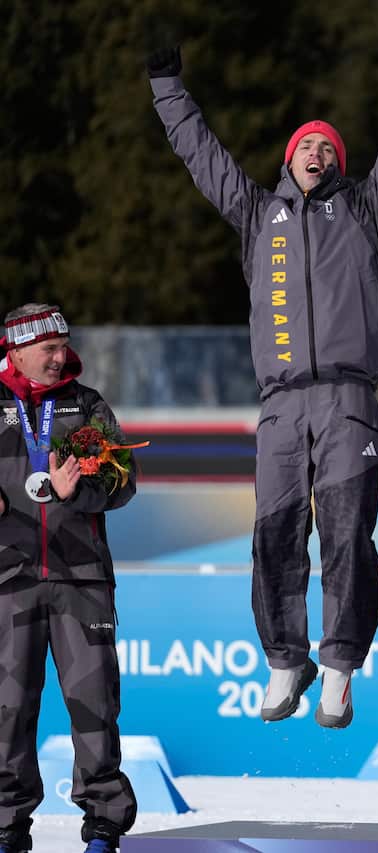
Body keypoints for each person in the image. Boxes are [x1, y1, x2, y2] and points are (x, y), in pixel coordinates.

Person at [148, 38, 378, 728]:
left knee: (345, 534)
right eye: (308, 146)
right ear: (287, 158)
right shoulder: (255, 214)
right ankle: (284, 656)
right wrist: (165, 86)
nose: (318, 155)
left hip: (349, 400)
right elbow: (202, 155)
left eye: (330, 149)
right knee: (273, 532)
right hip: (280, 403)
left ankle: (338, 666)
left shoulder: (363, 208)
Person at [0, 306, 138, 853]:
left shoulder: (85, 404)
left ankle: (104, 824)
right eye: (49, 349)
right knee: (6, 709)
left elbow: (123, 480)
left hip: (82, 579)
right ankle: (7, 827)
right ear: (15, 350)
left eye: (65, 346)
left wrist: (74, 492)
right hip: (8, 578)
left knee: (95, 705)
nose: (62, 357)